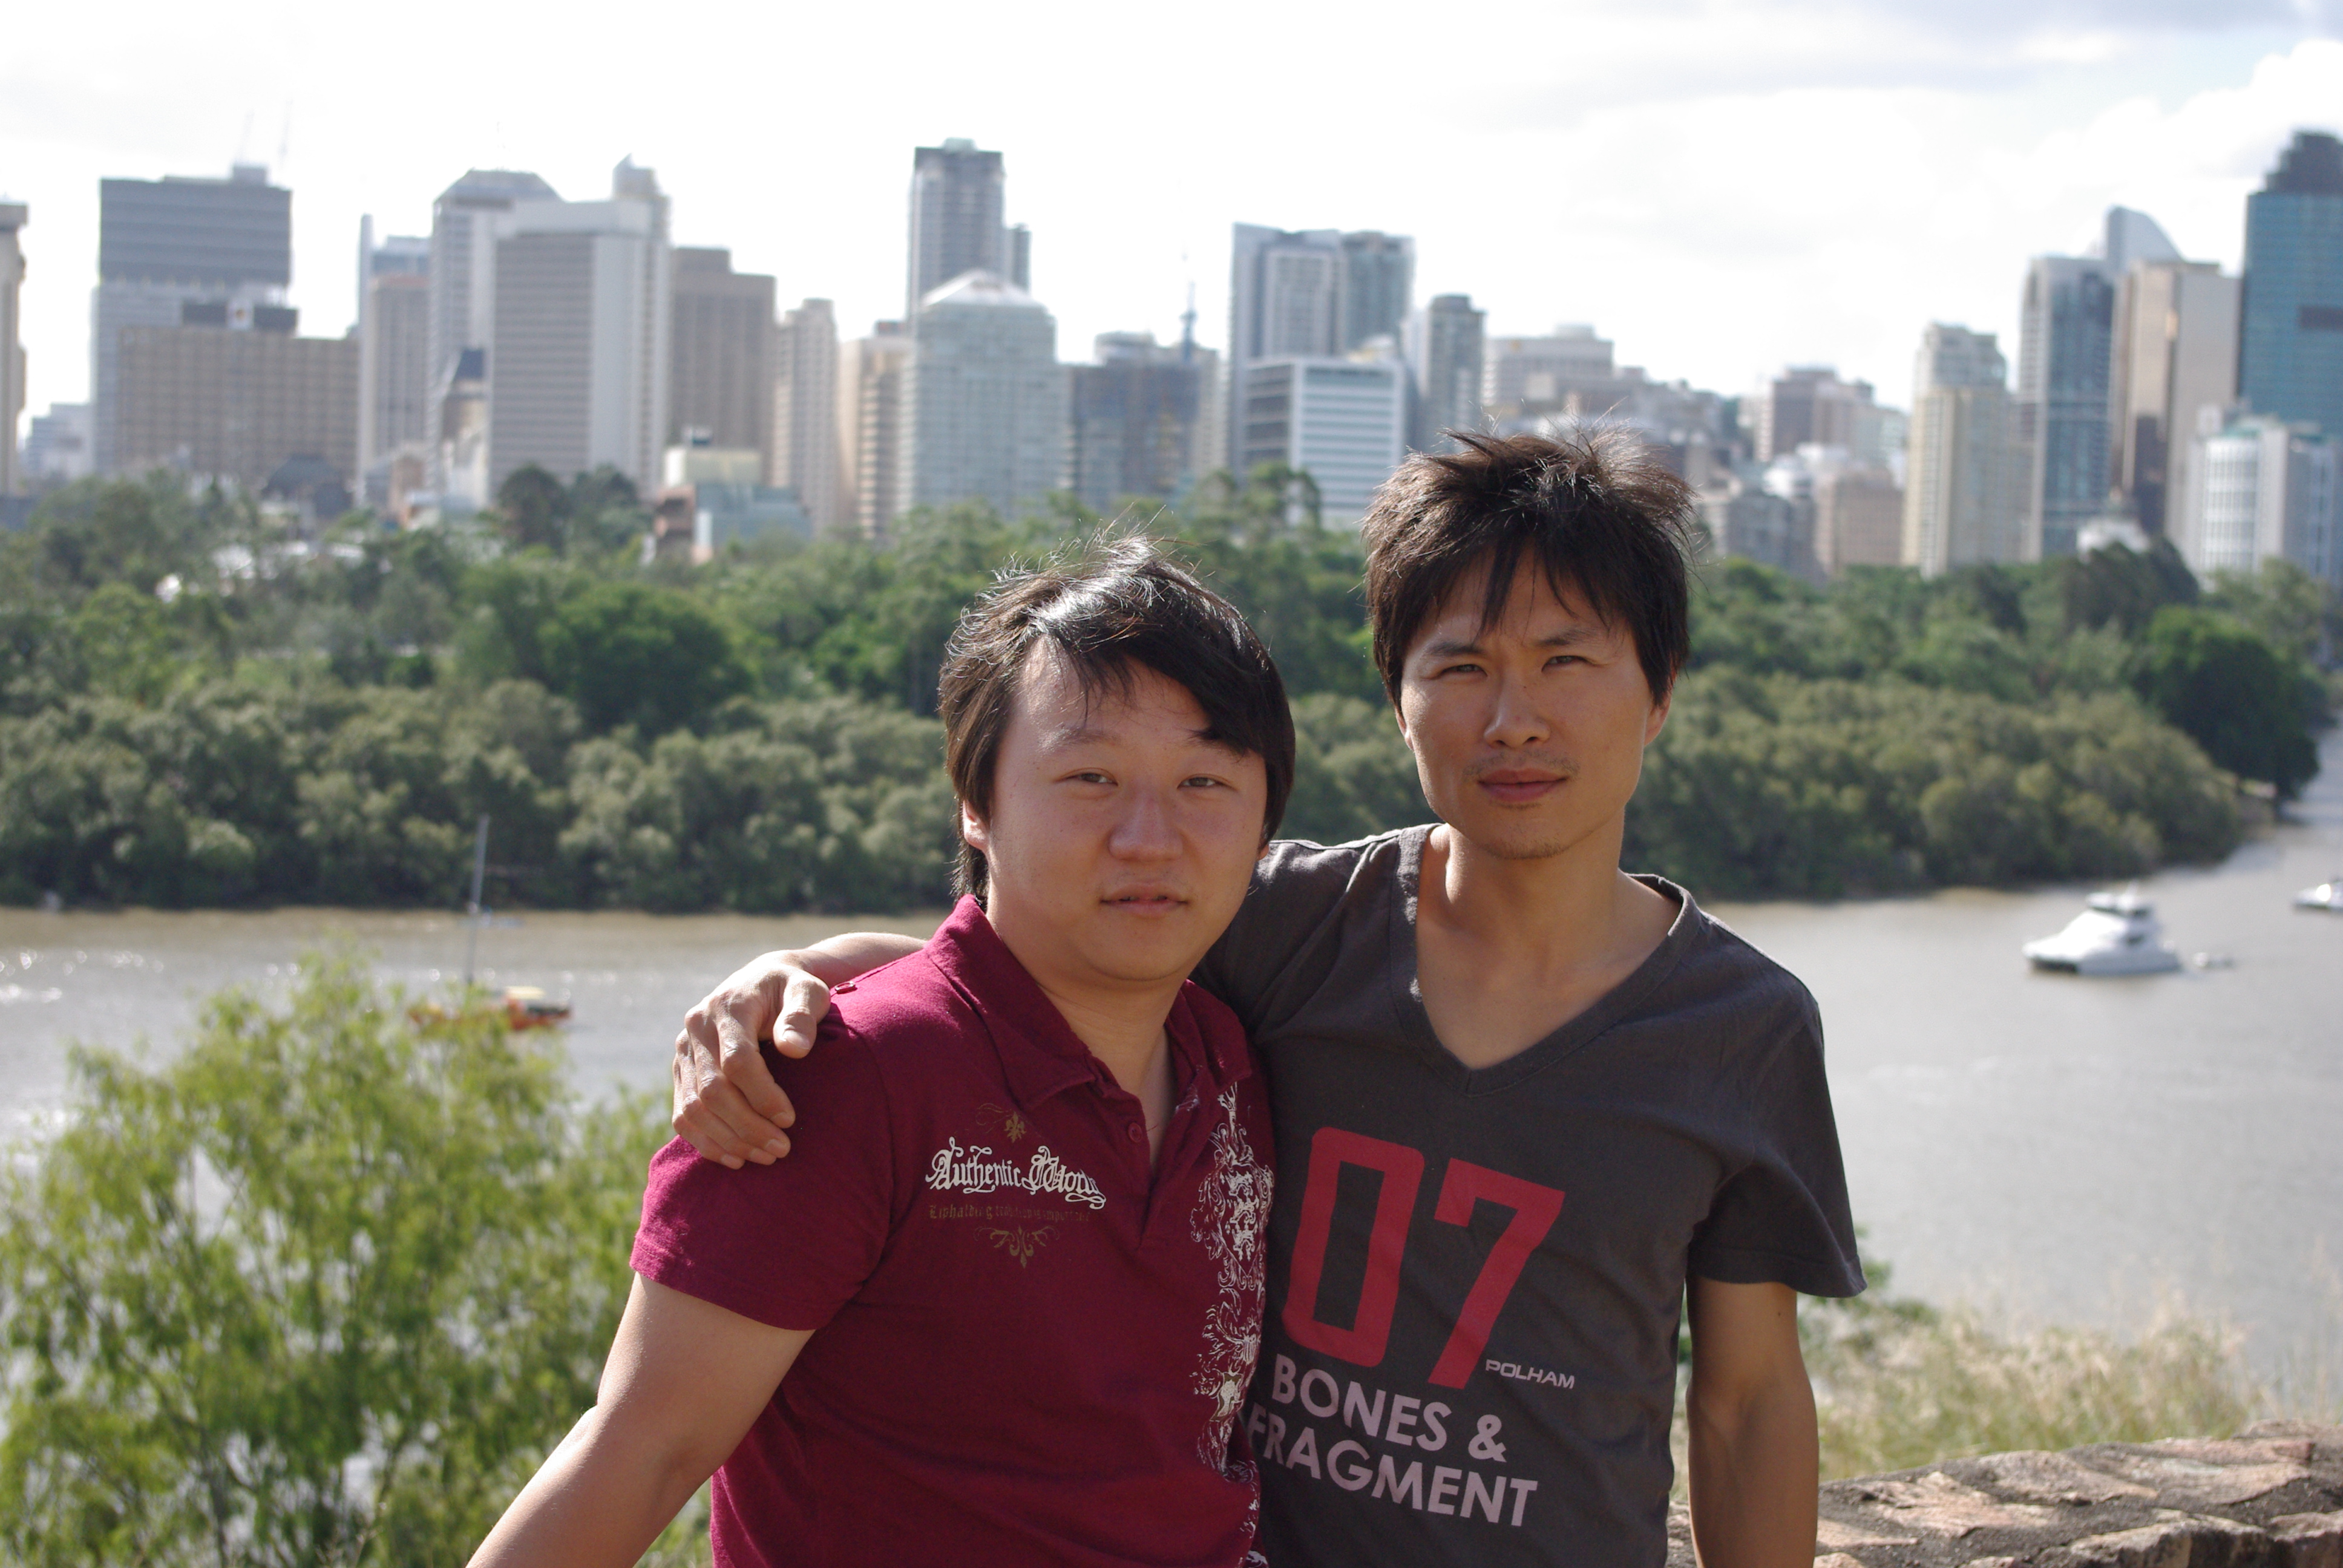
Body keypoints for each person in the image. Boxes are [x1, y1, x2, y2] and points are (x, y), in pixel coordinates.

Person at [671, 431, 1865, 1568]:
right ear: (1396, 698)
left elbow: (1748, 1398)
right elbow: (1038, 964)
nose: (1514, 720)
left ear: (1658, 692)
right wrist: (808, 969)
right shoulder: (1288, 924)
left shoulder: (1739, 1030)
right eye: (1459, 667)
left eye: (1567, 661)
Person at [470, 542, 1293, 1568]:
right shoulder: (837, 1078)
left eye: (1205, 780)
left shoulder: (1231, 1056)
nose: (1149, 838)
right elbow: (641, 1450)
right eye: (1091, 777)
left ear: (1266, 823)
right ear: (976, 805)